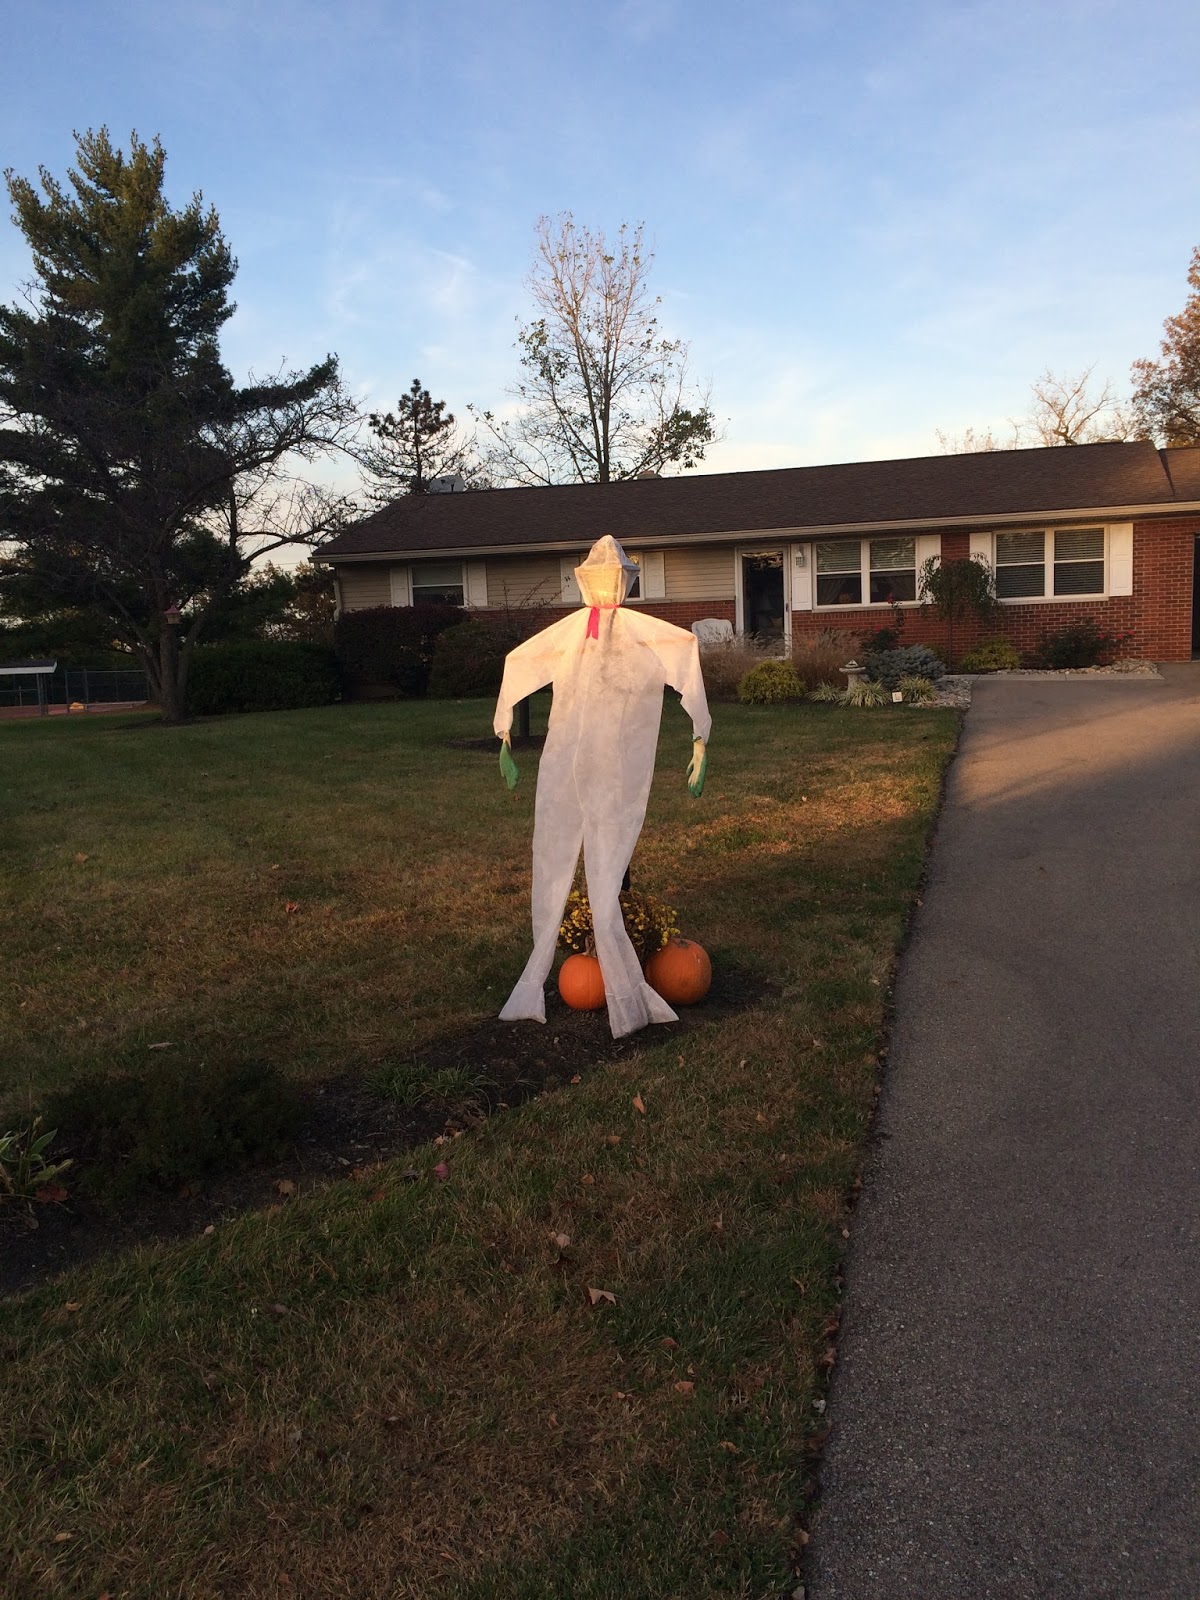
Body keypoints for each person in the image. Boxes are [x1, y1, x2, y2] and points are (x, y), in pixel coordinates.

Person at [494, 535, 711, 1038]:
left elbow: (685, 654)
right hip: (568, 756)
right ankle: (584, 964)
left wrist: (700, 735)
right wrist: (504, 732)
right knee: (556, 848)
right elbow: (520, 663)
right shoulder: (573, 632)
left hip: (622, 759)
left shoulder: (638, 632)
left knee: (610, 851)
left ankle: (617, 965)